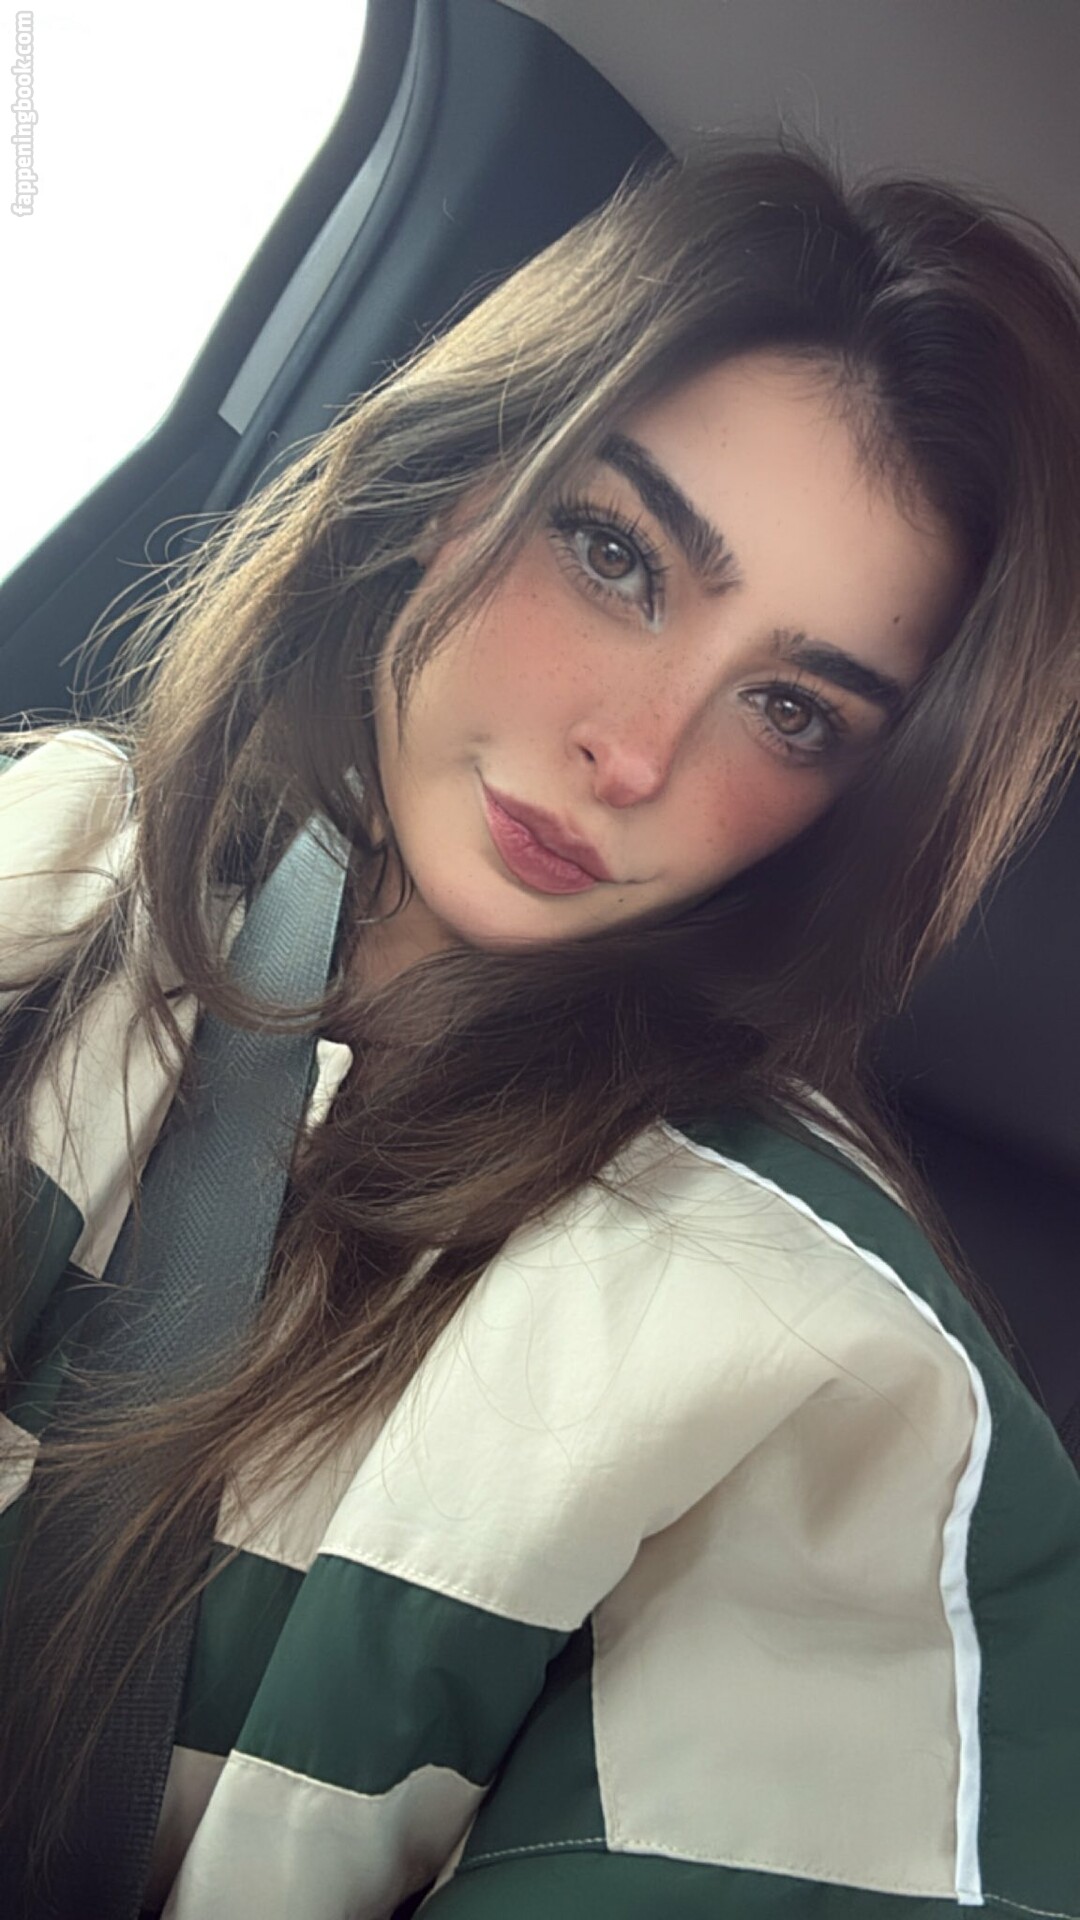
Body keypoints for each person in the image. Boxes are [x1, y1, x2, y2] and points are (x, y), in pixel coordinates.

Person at [1, 135, 1079, 1919]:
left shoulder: (821, 1377)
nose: (637, 754)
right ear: (455, 482)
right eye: (614, 554)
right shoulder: (56, 863)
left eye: (794, 713)